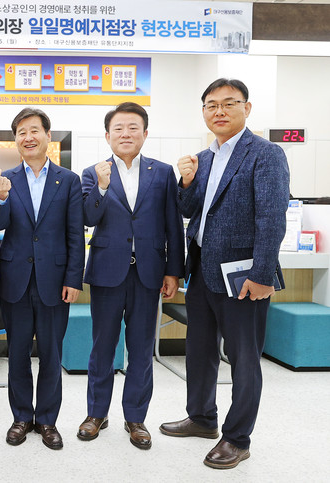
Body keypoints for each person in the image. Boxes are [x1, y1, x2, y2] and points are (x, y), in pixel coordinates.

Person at [160, 79, 289, 469]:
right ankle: (202, 418)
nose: (219, 111)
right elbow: (189, 210)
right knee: (199, 352)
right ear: (203, 112)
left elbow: (271, 217)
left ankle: (237, 438)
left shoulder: (265, 154)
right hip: (201, 271)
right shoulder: (204, 157)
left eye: (229, 103)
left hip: (244, 277)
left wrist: (262, 273)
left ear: (246, 108)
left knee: (244, 358)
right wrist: (186, 182)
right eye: (211, 105)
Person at [79, 102, 185, 450]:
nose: (126, 134)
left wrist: (174, 271)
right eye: (119, 128)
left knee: (141, 349)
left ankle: (135, 418)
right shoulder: (93, 172)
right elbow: (88, 217)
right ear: (107, 135)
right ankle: (96, 413)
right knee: (102, 348)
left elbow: (173, 225)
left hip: (148, 273)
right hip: (107, 273)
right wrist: (102, 187)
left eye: (133, 127)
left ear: (145, 133)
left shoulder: (163, 172)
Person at [0, 108, 84, 450]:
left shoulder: (69, 180)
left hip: (55, 282)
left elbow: (75, 234)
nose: (28, 137)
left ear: (47, 136)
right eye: (21, 132)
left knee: (51, 355)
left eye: (34, 130)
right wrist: (0, 199)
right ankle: (21, 418)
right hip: (15, 279)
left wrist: (74, 278)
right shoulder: (4, 179)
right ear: (15, 139)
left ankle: (46, 420)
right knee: (16, 354)